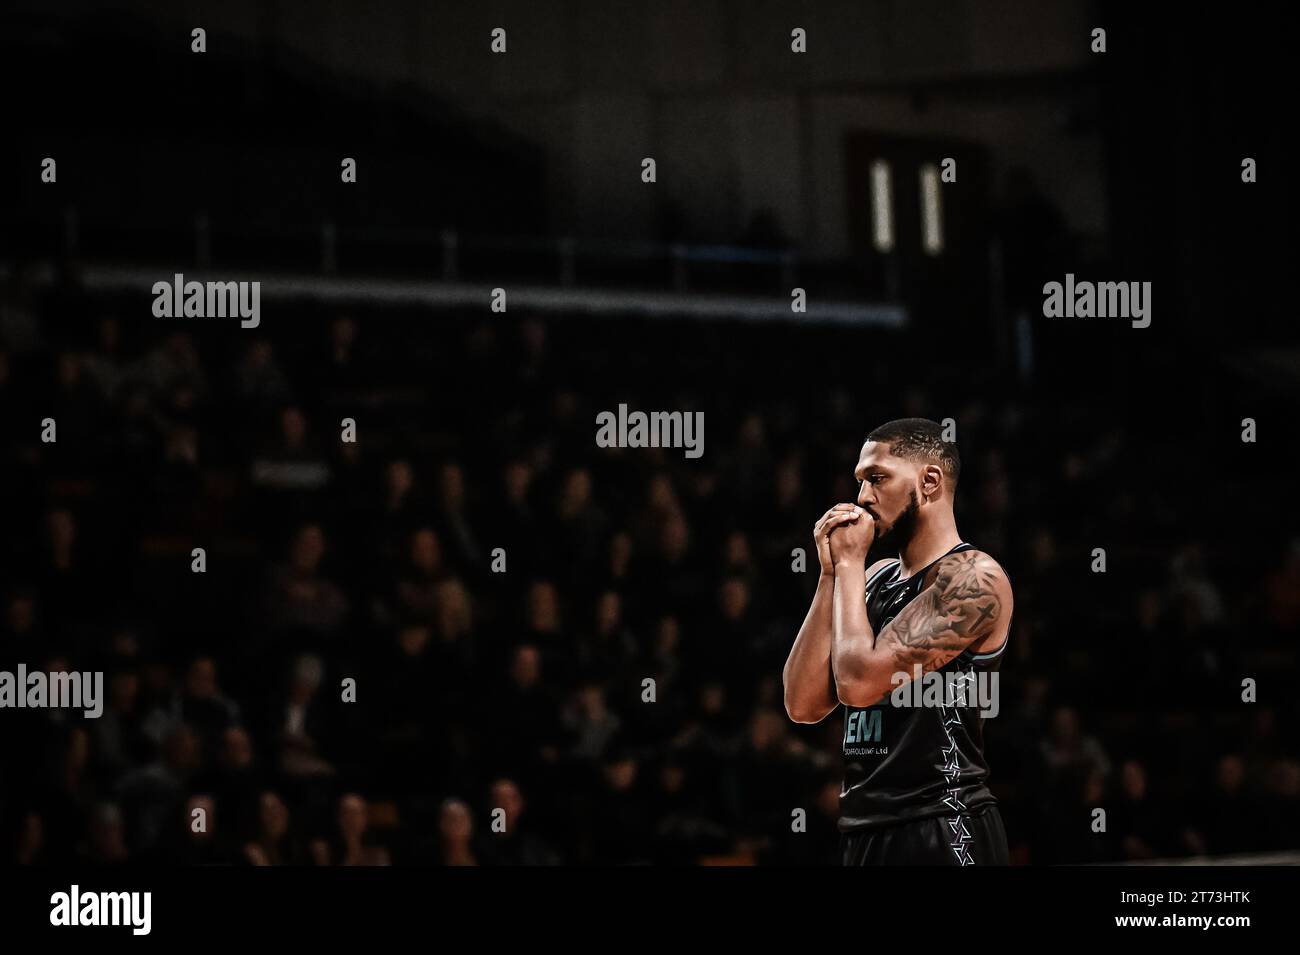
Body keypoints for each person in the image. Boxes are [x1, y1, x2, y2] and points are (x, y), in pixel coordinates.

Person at [782, 418, 1014, 865]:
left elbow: (858, 683)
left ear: (929, 482)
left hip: (944, 826)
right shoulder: (872, 579)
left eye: (877, 478)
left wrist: (849, 565)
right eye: (859, 481)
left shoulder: (974, 577)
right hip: (863, 828)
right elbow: (802, 704)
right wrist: (831, 575)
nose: (862, 497)